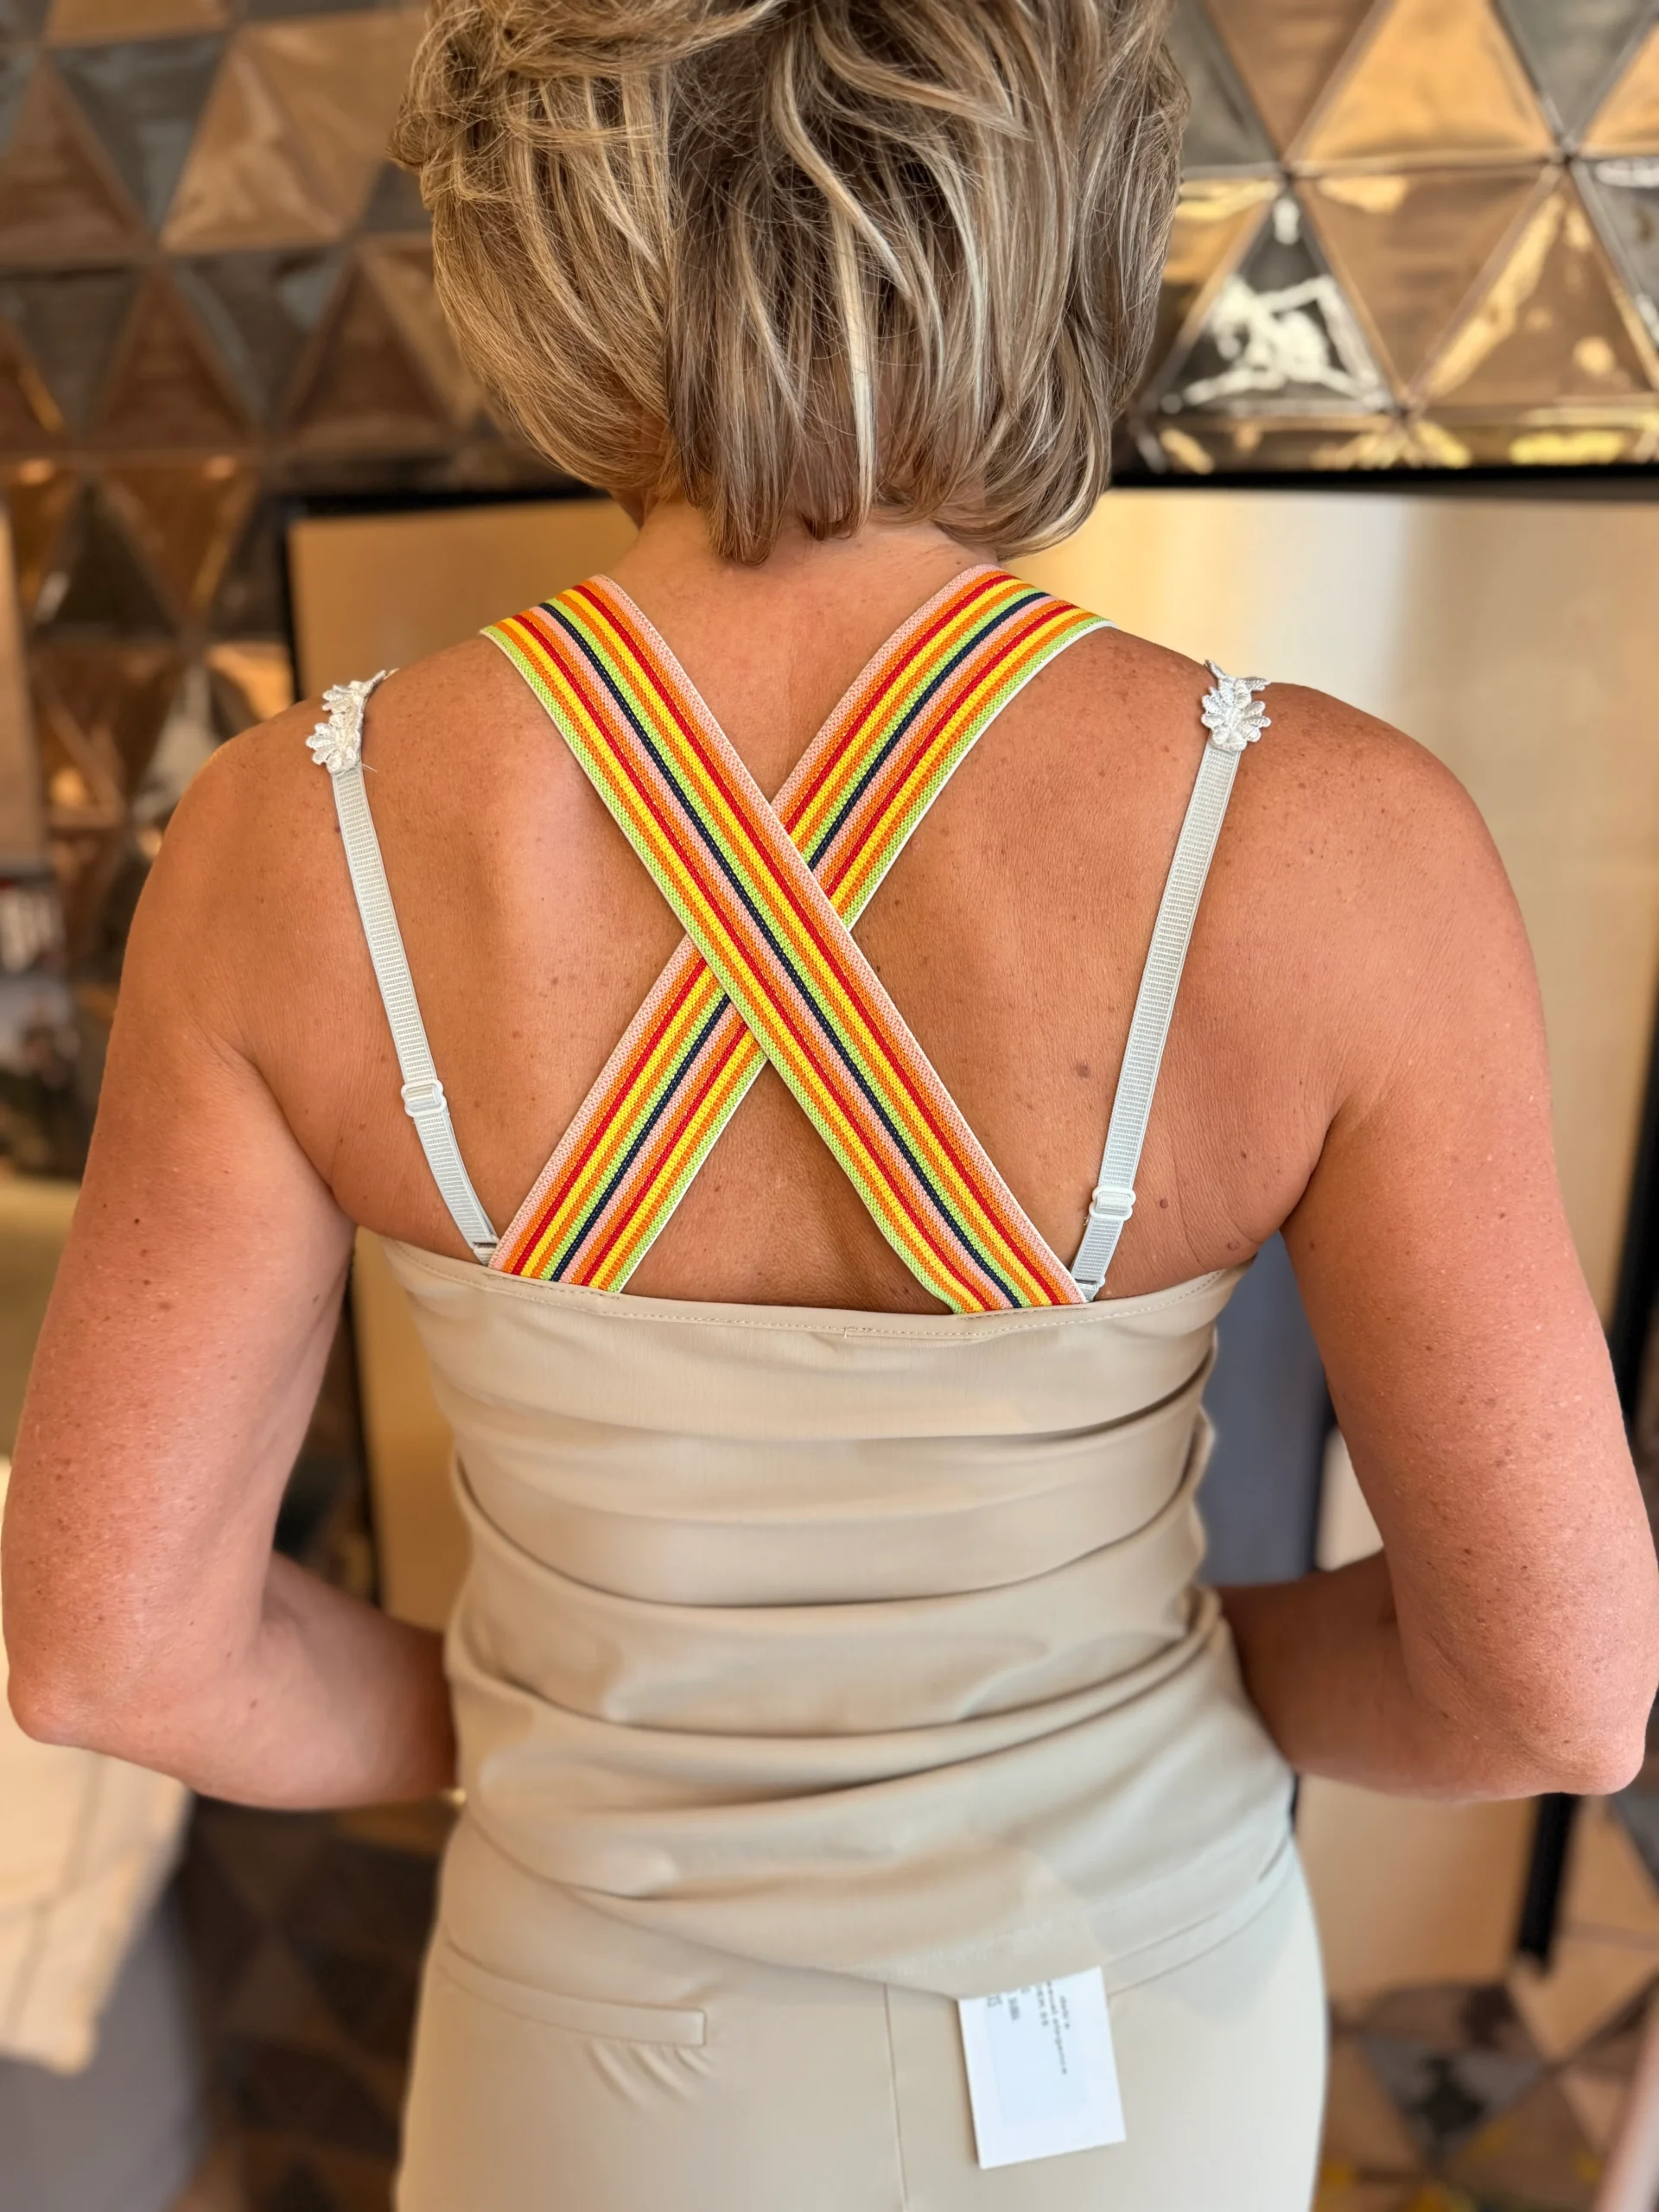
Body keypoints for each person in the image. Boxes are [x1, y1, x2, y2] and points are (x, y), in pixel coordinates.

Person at [5, 2, 1656, 2205]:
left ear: (545, 216)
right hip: (1137, 2029)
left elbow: (112, 1650)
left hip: (594, 2060)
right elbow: (1555, 1691)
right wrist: (1165, 1680)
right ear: (1065, 205)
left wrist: (553, 1723)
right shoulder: (1339, 845)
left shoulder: (286, 845)